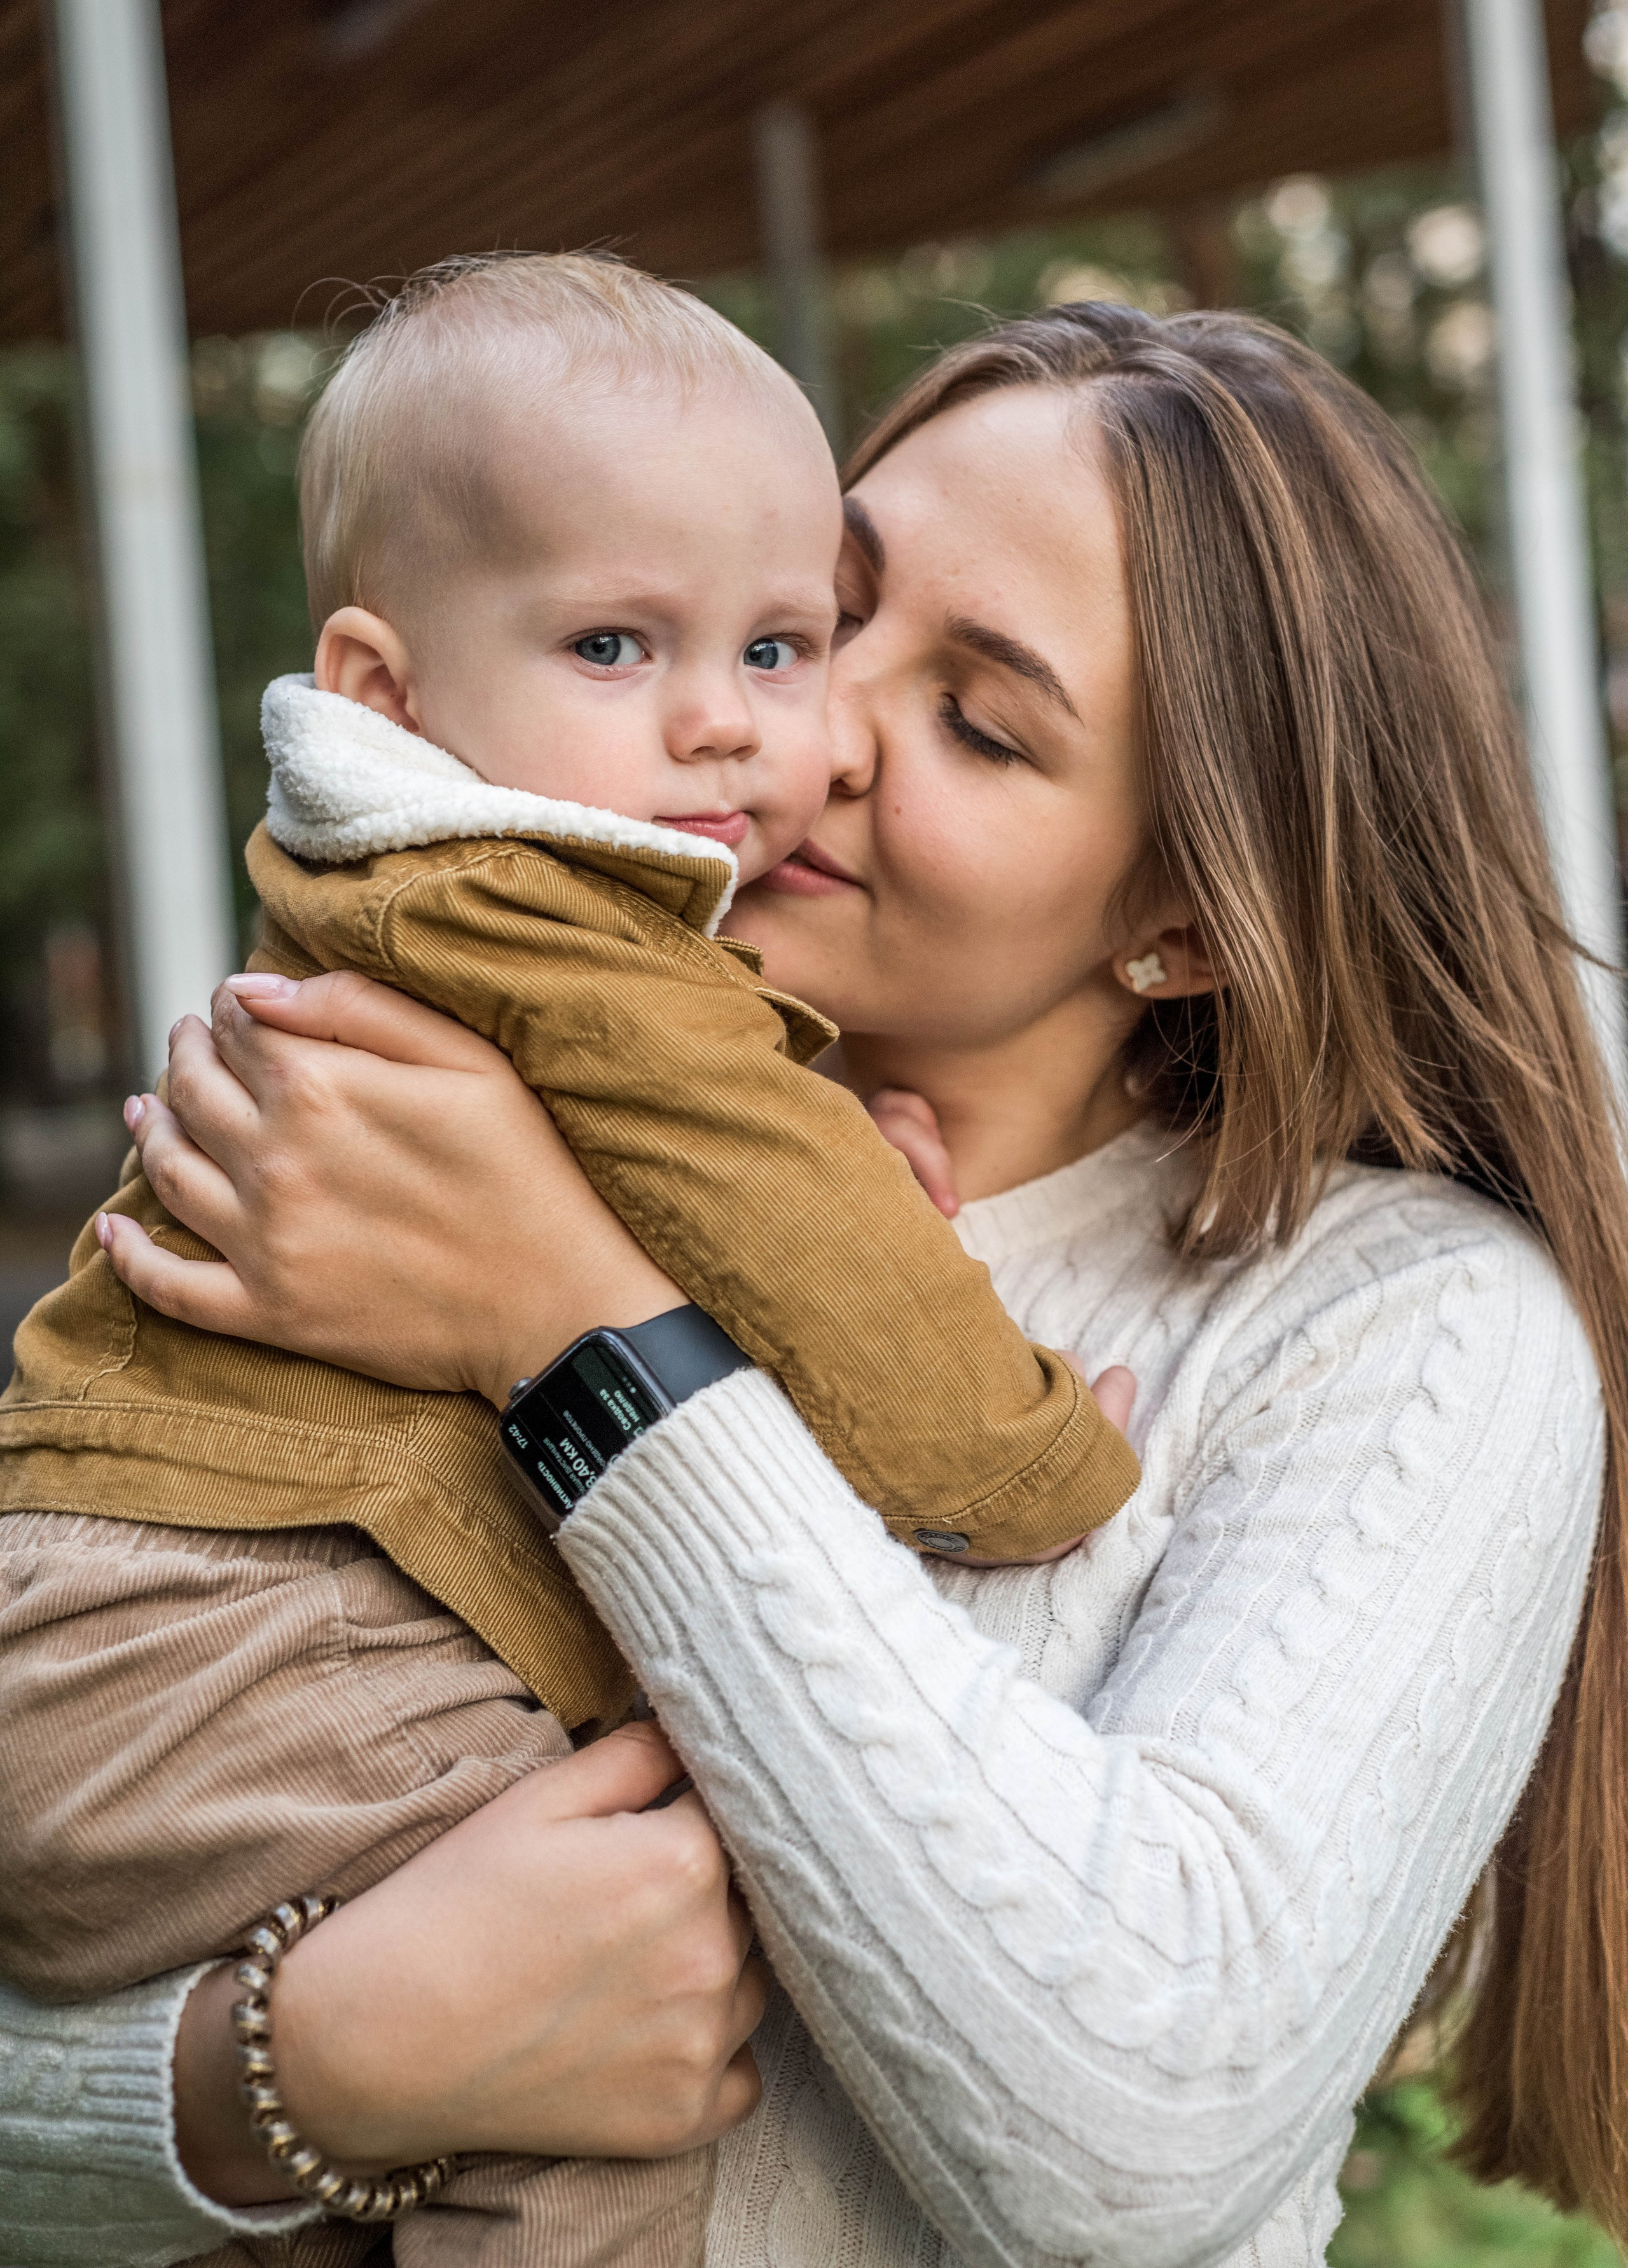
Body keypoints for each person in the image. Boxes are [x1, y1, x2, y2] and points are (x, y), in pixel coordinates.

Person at [3, 303, 1625, 2268]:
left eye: (980, 717)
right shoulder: (424, 1084)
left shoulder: (1406, 1328)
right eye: (818, 615)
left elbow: (1132, 2148)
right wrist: (302, 2067)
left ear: (1184, 921)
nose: (795, 722)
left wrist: (567, 1320)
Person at [0, 255, 1136, 2265]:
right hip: (221, 1641)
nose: (743, 727)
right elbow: (880, 1339)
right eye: (617, 643)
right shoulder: (579, 941)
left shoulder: (401, 888)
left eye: (789, 643)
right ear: (384, 688)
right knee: (613, 1993)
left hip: (111, 1630)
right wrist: (1042, 1452)